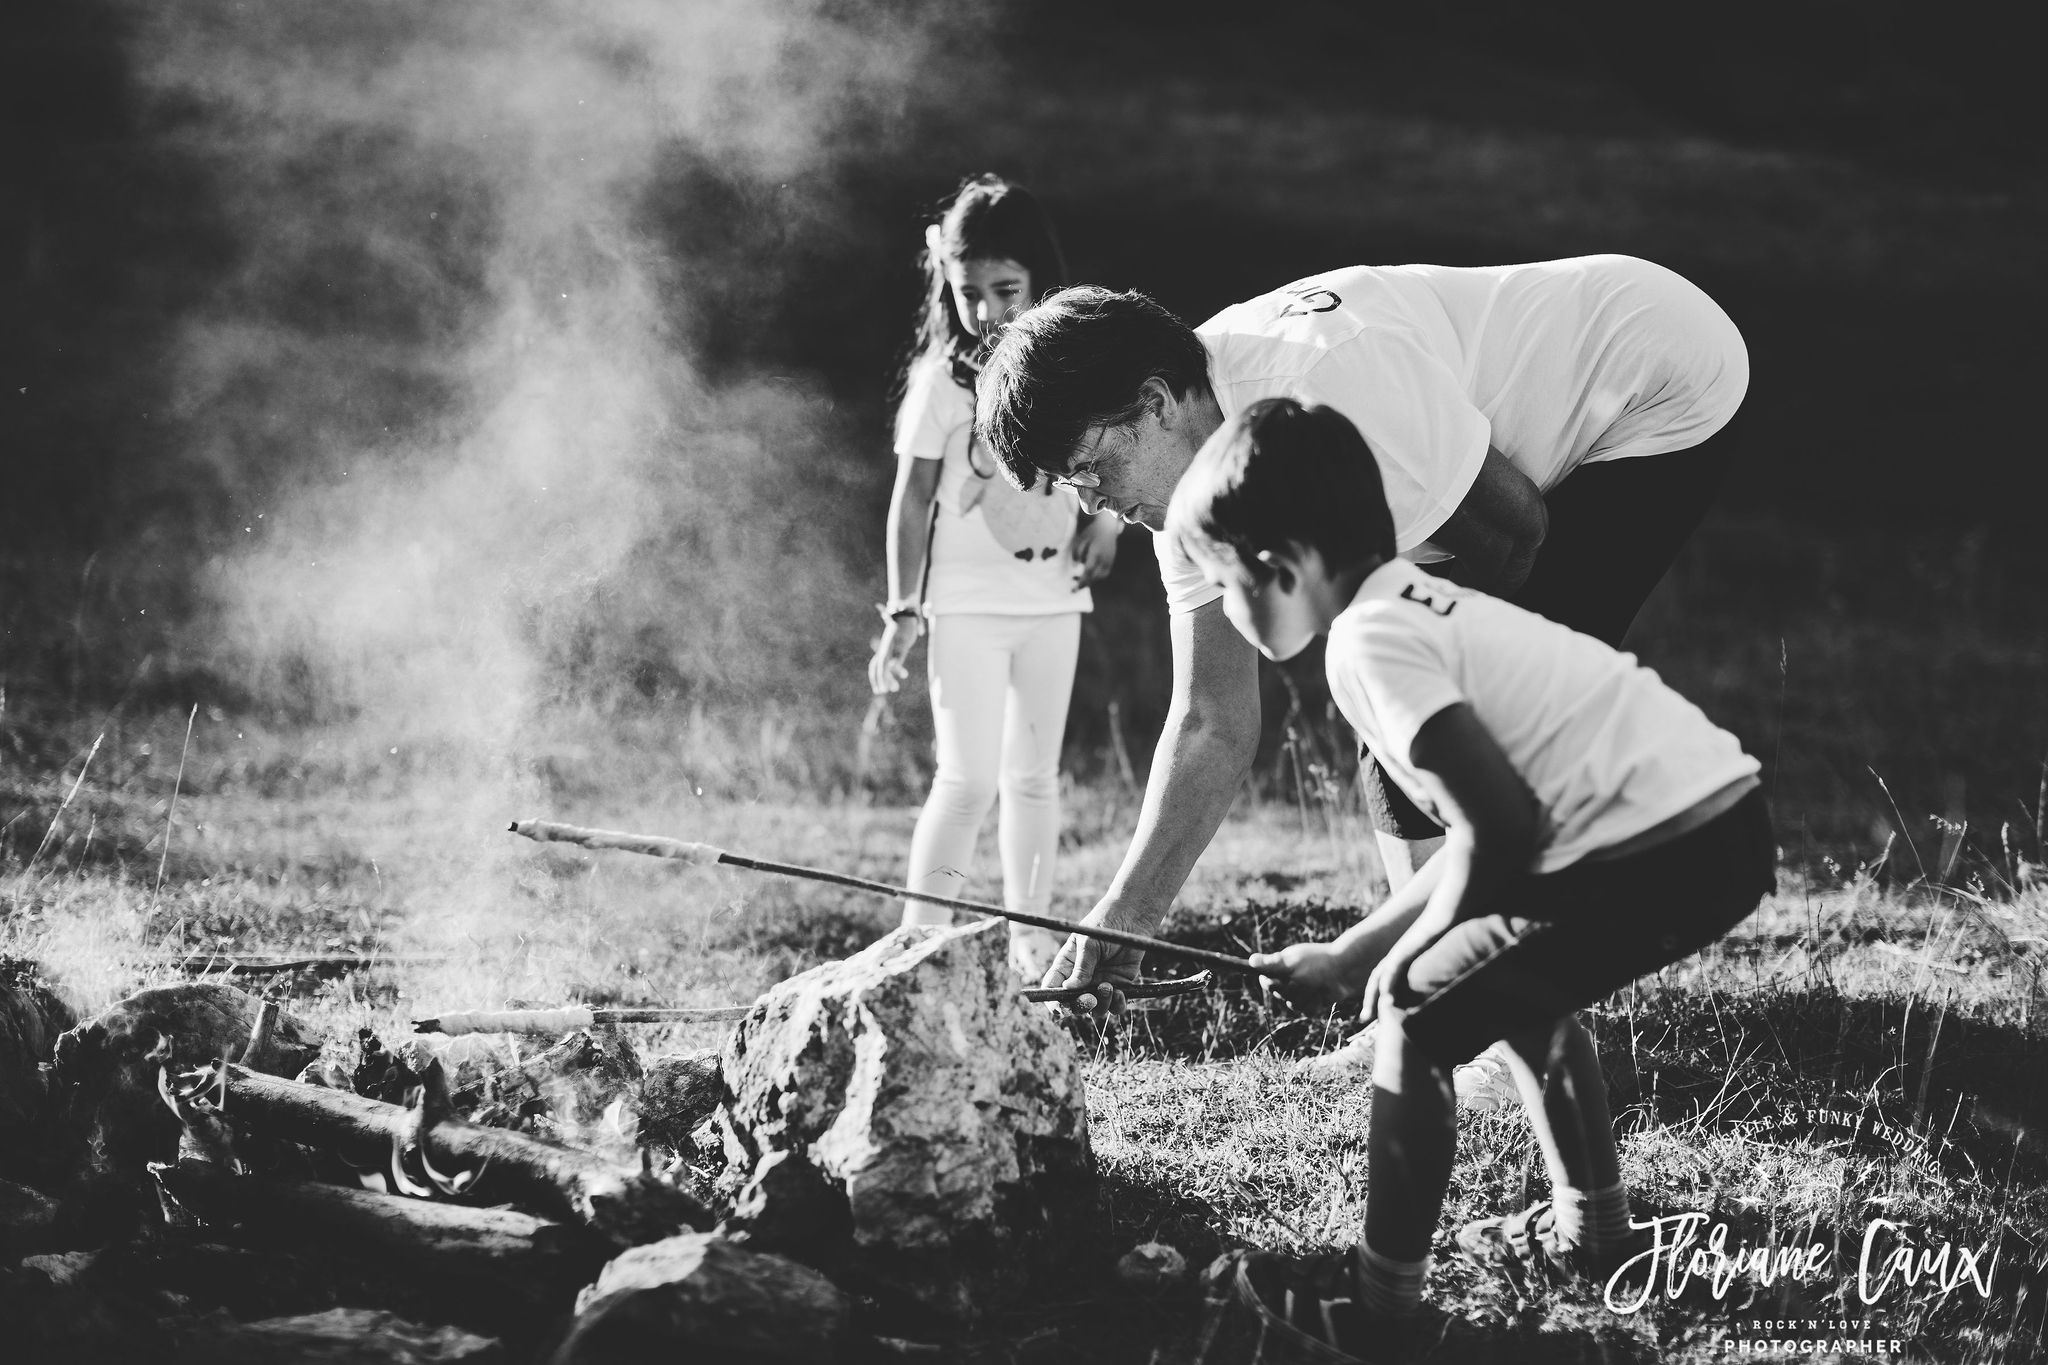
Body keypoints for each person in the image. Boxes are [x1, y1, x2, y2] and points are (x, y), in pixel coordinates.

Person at [973, 255, 1748, 1060]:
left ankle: (1485, 1014)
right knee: (1394, 715)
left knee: (1472, 729)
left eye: (1092, 467)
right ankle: (1435, 1005)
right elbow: (1212, 716)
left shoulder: (1325, 376)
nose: (1092, 500)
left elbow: (1515, 539)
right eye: (1073, 484)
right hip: (1490, 475)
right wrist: (1123, 917)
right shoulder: (1191, 487)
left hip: (1656, 372)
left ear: (1157, 403)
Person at [1168, 397, 1774, 1353]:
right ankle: (1598, 1234)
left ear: (1276, 568)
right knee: (1511, 985)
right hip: (1710, 827)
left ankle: (1379, 1308)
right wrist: (1348, 948)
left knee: (1417, 1013)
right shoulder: (1414, 604)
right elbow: (1476, 833)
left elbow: (1499, 825)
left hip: (1660, 850)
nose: (1229, 610)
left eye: (1223, 583)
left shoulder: (1370, 644)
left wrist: (1399, 963)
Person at [869, 175, 1123, 979]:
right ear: (947, 283)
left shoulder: (1073, 369)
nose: (985, 311)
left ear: (1039, 280)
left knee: (1033, 778)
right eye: (967, 290)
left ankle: (1032, 940)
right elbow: (911, 502)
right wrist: (903, 609)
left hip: (1053, 602)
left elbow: (1112, 457)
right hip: (967, 607)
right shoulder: (941, 384)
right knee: (968, 776)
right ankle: (916, 947)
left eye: (1005, 290)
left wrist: (1109, 521)